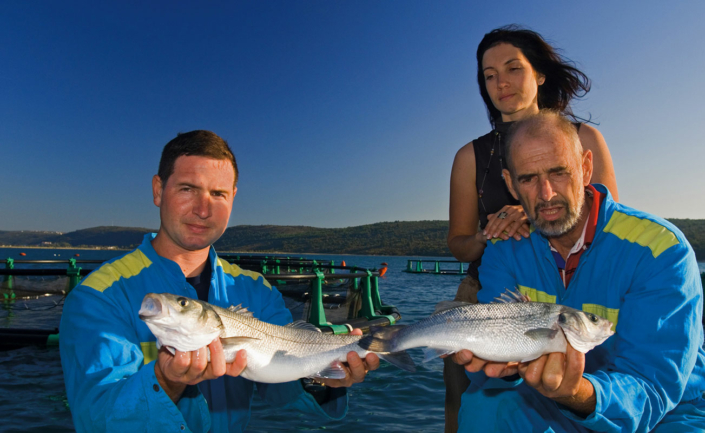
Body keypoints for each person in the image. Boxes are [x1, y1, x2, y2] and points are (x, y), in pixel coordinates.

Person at [59, 130, 379, 433]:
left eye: (218, 193)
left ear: (233, 198)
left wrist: (324, 376)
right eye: (188, 189)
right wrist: (165, 381)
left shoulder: (257, 290)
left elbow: (280, 389)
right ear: (158, 190)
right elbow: (95, 418)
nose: (203, 210)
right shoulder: (98, 296)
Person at [452, 110, 705, 432]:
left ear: (586, 168)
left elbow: (653, 386)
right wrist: (503, 366)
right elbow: (487, 365)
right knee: (485, 407)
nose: (546, 194)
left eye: (558, 172)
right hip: (540, 399)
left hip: (667, 412)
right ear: (511, 185)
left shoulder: (659, 248)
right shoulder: (503, 250)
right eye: (528, 179)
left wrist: (577, 393)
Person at [444, 25, 619, 432]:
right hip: (487, 298)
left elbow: (606, 226)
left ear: (539, 73)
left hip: (571, 292)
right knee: (464, 402)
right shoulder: (469, 157)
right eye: (488, 75)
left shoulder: (584, 138)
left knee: (587, 398)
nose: (500, 82)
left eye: (512, 68)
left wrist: (533, 211)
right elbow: (458, 246)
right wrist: (488, 235)